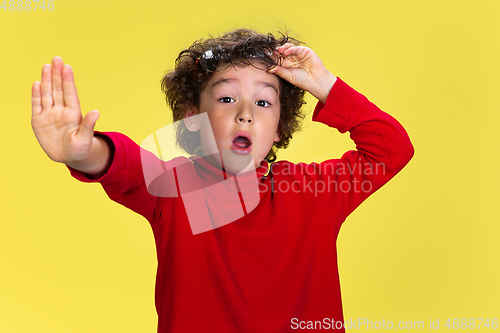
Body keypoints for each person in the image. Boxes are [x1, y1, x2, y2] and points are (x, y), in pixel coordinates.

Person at [31, 28, 414, 332]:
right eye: (227, 99)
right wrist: (82, 152)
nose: (246, 114)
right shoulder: (174, 191)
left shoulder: (312, 191)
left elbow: (391, 149)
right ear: (192, 120)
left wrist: (325, 84)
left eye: (263, 102)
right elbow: (128, 165)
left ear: (279, 127)